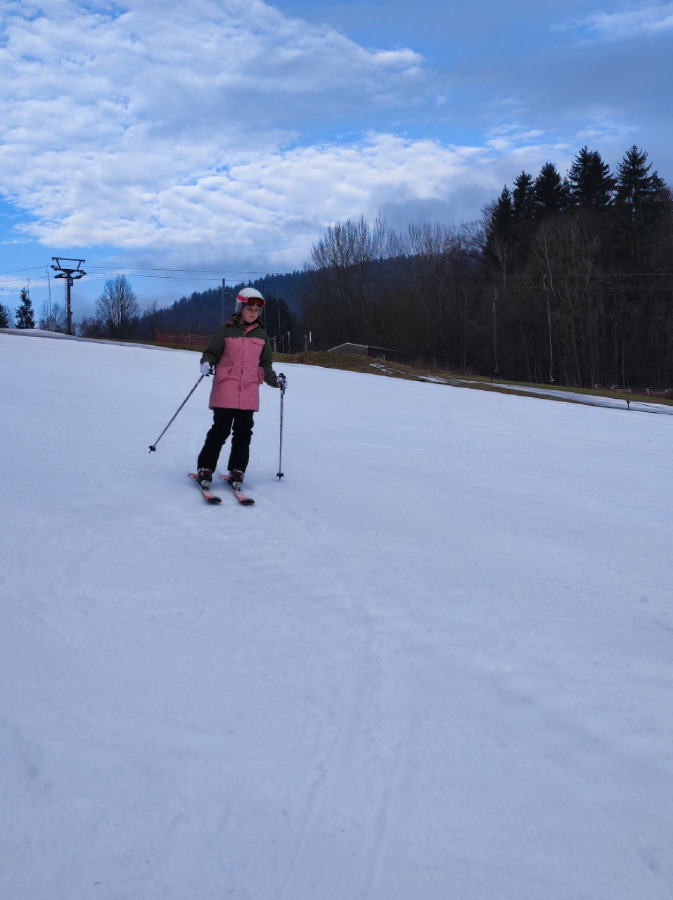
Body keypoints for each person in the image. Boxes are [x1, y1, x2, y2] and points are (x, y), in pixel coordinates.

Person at [195, 287, 286, 490]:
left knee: (243, 434)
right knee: (220, 430)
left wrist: (276, 381)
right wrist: (207, 363)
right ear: (240, 308)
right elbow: (211, 353)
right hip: (225, 388)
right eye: (249, 309)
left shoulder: (262, 335)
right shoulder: (226, 331)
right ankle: (205, 468)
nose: (253, 313)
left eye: (256, 310)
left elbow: (265, 366)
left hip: (248, 393)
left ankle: (237, 470)